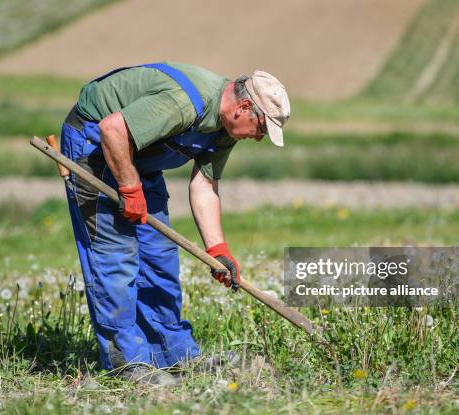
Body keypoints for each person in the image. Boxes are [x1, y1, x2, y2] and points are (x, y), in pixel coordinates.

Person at [60, 62, 290, 386]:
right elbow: (112, 129)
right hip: (96, 145)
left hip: (137, 158)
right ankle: (127, 364)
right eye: (262, 128)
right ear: (244, 107)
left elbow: (205, 186)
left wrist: (218, 250)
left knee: (160, 256)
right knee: (116, 256)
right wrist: (129, 187)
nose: (259, 138)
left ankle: (174, 354)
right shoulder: (185, 102)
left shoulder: (224, 131)